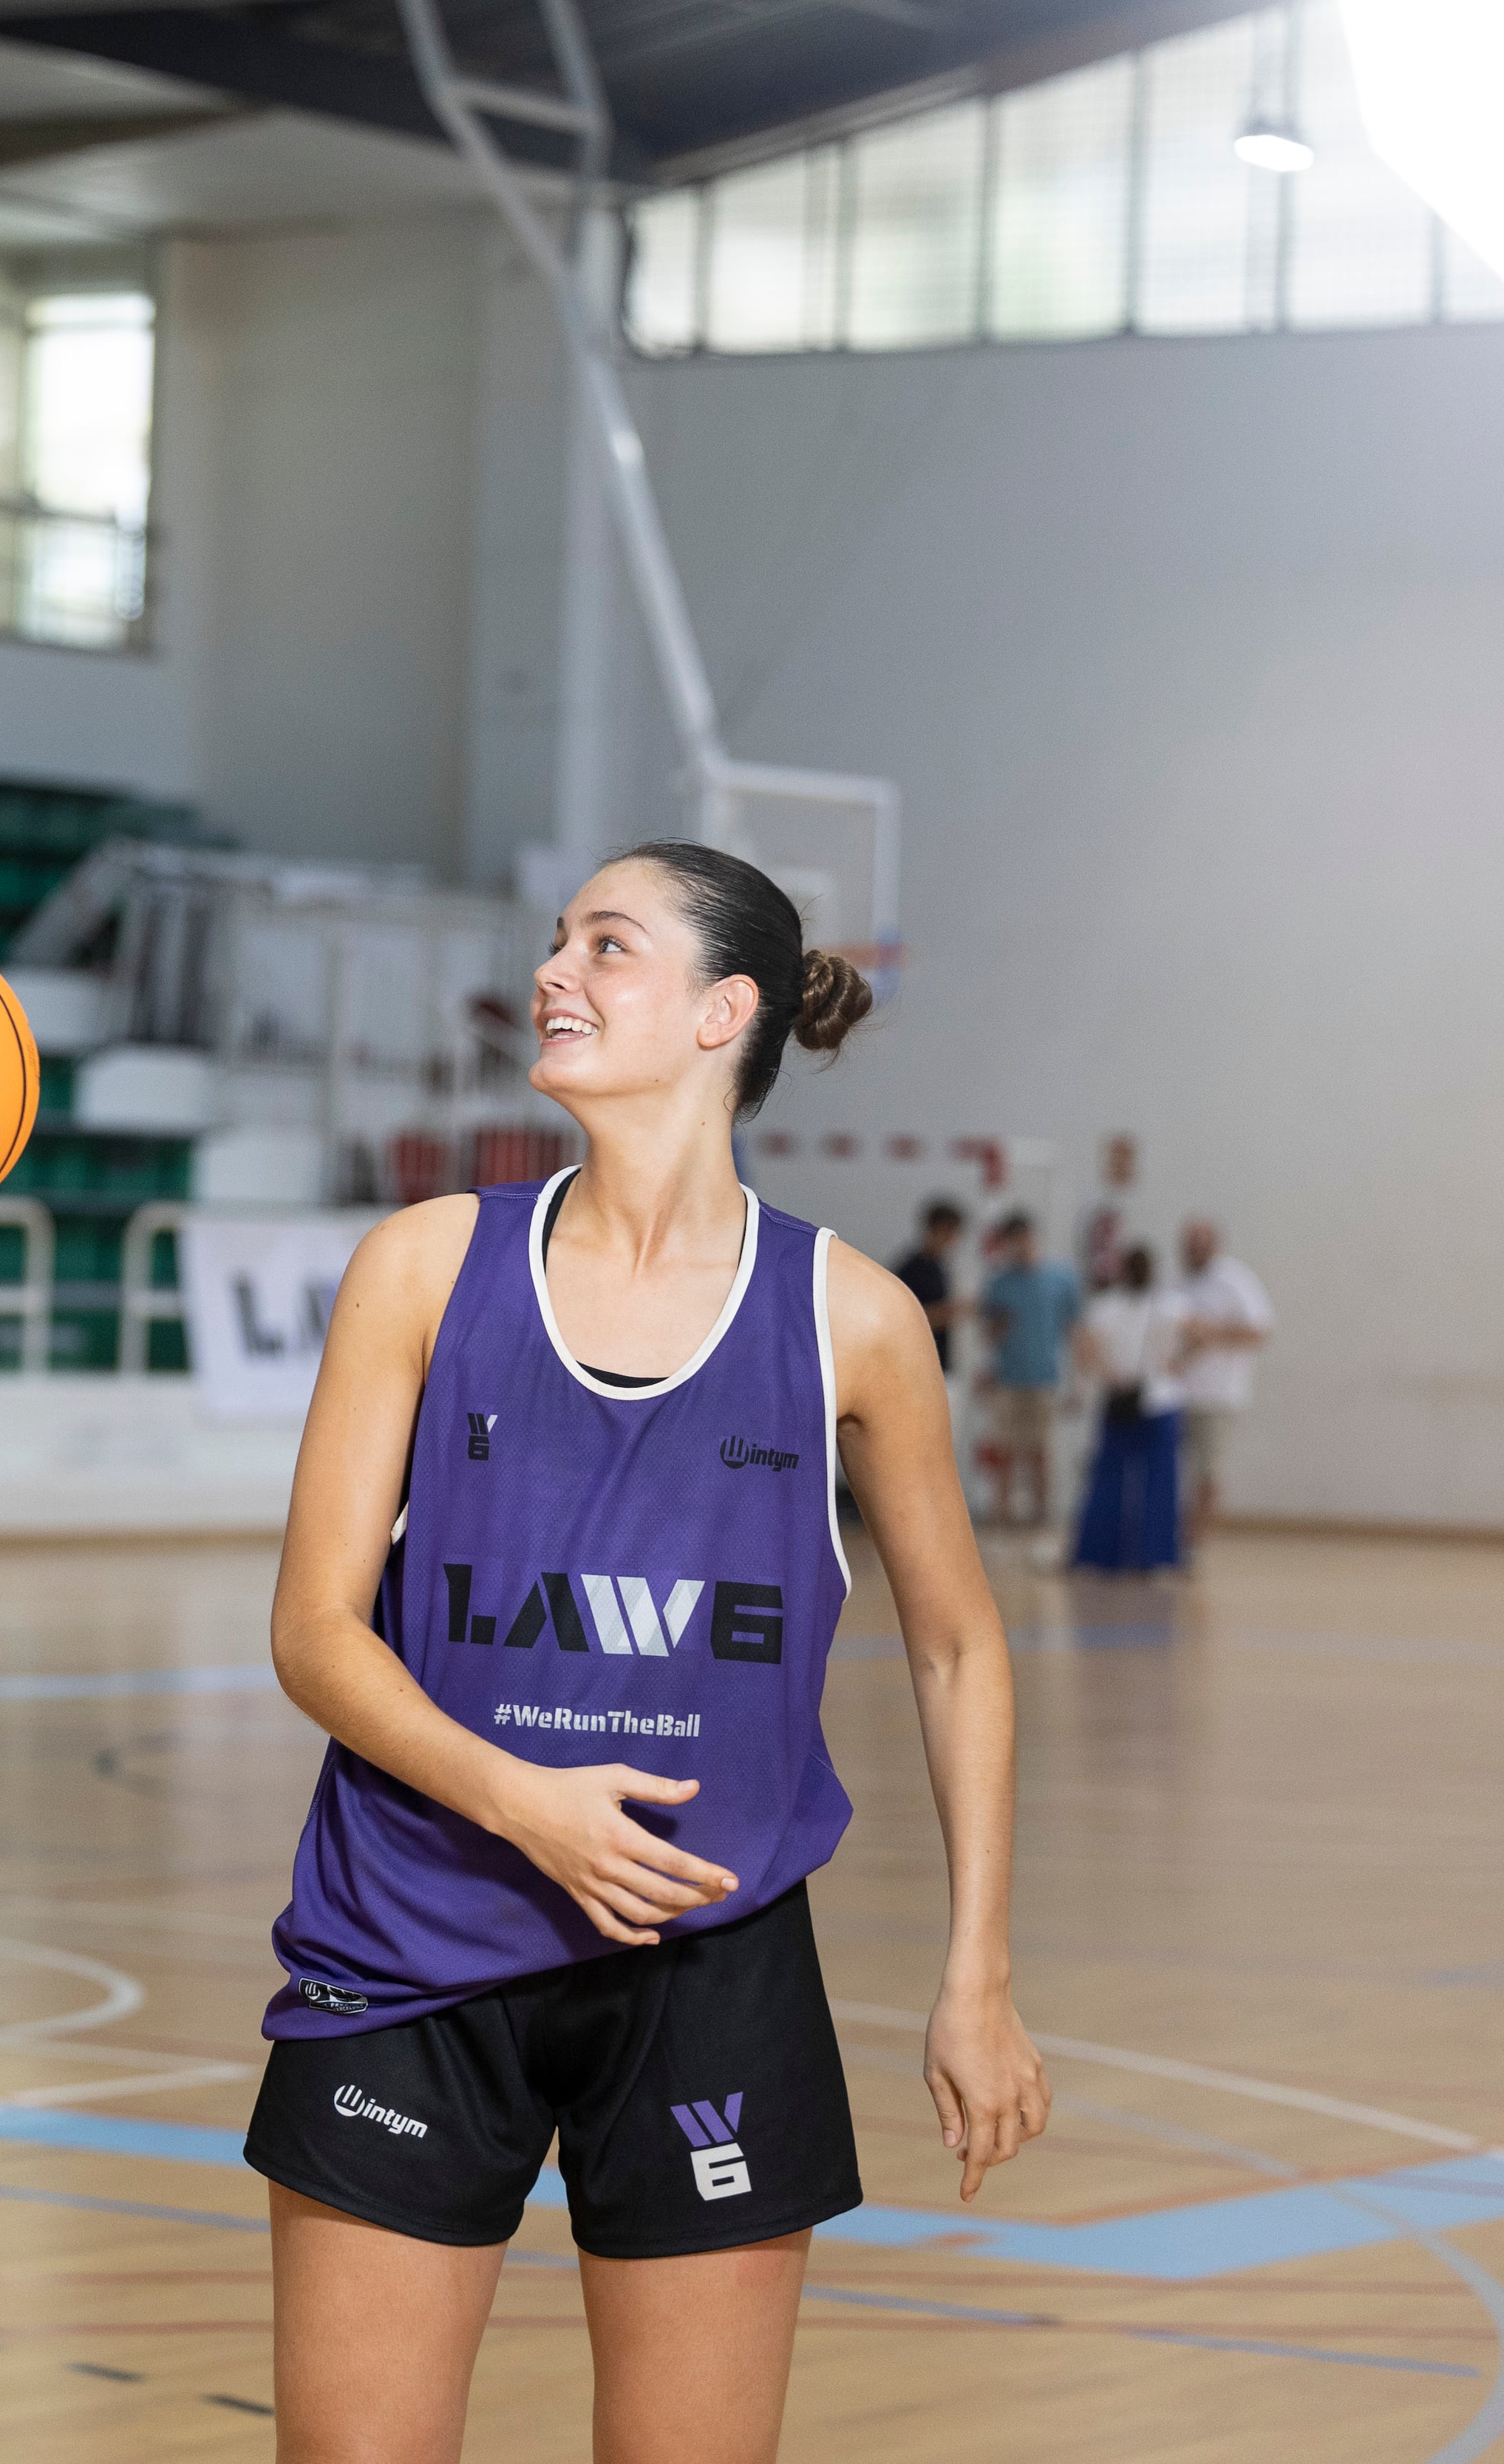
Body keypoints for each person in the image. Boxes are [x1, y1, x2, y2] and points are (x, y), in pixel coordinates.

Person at [253, 841, 1046, 2464]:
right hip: (408, 1941)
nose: (555, 971)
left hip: (709, 1960)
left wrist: (978, 1972)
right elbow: (315, 1631)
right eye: (555, 940)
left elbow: (959, 1650)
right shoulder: (421, 1265)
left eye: (606, 945)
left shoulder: (854, 1320)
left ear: (719, 1012)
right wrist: (520, 1800)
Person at [1069, 1244, 1187, 1575]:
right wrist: (1176, 1362)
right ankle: (1154, 1558)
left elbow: (1084, 1347)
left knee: (1114, 1479)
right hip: (1152, 1399)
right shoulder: (1168, 1305)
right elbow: (1200, 1333)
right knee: (1150, 1482)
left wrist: (1112, 1376)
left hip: (1134, 1398)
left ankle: (1100, 1556)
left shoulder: (1109, 1306)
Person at [977, 1212, 1081, 1527]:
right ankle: (1003, 1512)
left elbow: (1073, 1330)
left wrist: (1077, 1381)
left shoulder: (1060, 1279)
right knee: (1005, 1449)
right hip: (1008, 1378)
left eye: (1024, 1239)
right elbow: (988, 1336)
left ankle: (1040, 1513)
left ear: (1033, 1238)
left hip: (1044, 1377)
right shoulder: (998, 1283)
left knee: (1039, 1449)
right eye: (1013, 1241)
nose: (1020, 1247)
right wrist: (999, 1330)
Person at [1173, 1217, 1271, 1551]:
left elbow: (1258, 1332)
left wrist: (1209, 1333)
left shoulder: (1235, 1281)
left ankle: (1194, 1544)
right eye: (1189, 1244)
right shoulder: (1179, 1285)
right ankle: (1172, 1538)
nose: (1194, 1250)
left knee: (1207, 1472)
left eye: (1200, 1244)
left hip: (1219, 1395)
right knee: (1176, 1471)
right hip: (1177, 1393)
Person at [892, 1197, 968, 1373]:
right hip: (916, 1366)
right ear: (934, 1230)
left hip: (938, 1364)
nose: (952, 1241)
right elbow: (905, 1319)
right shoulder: (910, 1270)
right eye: (949, 1234)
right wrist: (951, 1311)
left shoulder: (940, 1267)